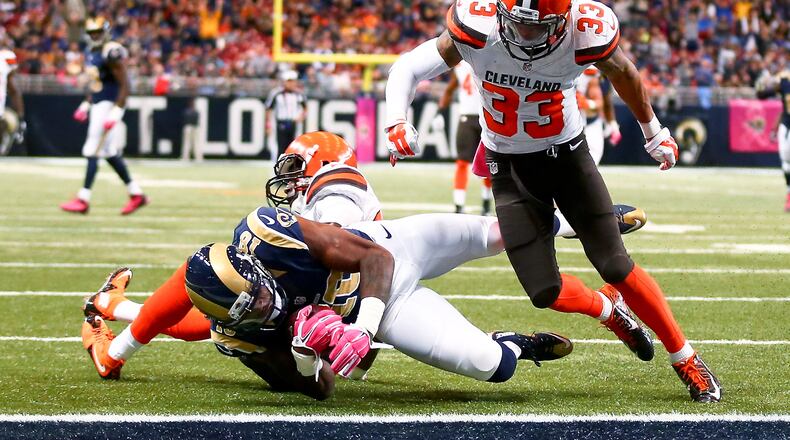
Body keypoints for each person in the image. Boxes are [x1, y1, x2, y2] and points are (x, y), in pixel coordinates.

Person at [383, 0, 720, 402]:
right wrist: (396, 119)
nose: (527, 35)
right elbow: (408, 66)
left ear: (563, 18)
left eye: (538, 27)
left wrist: (653, 130)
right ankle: (609, 310)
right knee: (545, 292)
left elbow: (624, 73)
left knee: (615, 264)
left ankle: (686, 358)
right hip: (508, 166)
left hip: (568, 157)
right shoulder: (476, 24)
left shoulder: (585, 28)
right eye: (519, 25)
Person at [80, 132, 384, 381]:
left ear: (325, 164)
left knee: (207, 271)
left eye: (295, 167)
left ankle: (113, 353)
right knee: (211, 314)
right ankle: (109, 304)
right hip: (323, 310)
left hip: (321, 313)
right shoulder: (332, 204)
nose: (288, 177)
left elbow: (328, 248)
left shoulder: (338, 196)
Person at [189, 209, 575, 400]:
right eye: (248, 313)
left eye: (255, 295)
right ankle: (510, 342)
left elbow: (377, 258)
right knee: (494, 366)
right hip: (392, 309)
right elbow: (320, 389)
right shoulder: (235, 337)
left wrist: (362, 328)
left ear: (254, 267)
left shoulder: (269, 235)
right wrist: (305, 357)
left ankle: (580, 220)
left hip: (394, 248)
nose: (263, 309)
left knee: (498, 235)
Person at [60, 17, 148, 215]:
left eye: (98, 32)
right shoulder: (92, 52)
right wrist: (87, 103)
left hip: (110, 105)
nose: (95, 36)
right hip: (100, 104)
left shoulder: (111, 50)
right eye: (92, 33)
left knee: (92, 149)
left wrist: (117, 110)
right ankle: (136, 194)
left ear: (105, 32)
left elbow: (125, 83)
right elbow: (96, 84)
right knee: (108, 153)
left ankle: (83, 198)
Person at [433, 60, 494, 215]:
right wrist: (439, 112)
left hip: (486, 118)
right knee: (462, 162)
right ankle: (459, 205)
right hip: (467, 117)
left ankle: (486, 203)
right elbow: (449, 90)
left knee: (490, 163)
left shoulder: (489, 61)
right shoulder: (461, 67)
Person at [756, 68, 790, 212]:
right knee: (786, 160)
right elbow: (762, 94)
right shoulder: (785, 79)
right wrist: (762, 84)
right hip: (788, 124)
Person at [265, 70, 306, 157]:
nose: (291, 84)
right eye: (289, 81)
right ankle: (278, 167)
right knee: (279, 148)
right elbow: (269, 109)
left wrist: (301, 117)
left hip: (294, 123)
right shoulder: (276, 93)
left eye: (293, 81)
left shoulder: (299, 94)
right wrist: (268, 124)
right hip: (280, 123)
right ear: (284, 81)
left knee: (293, 147)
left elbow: (305, 108)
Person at [0, 48, 25, 156]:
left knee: (7, 122)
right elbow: (13, 89)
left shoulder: (6, 57)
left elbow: (13, 88)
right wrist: (21, 117)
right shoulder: (6, 57)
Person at [181, 98, 202, 162]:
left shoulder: (191, 111)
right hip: (190, 127)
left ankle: (197, 157)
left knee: (195, 143)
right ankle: (186, 157)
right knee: (188, 143)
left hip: (193, 127)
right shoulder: (191, 111)